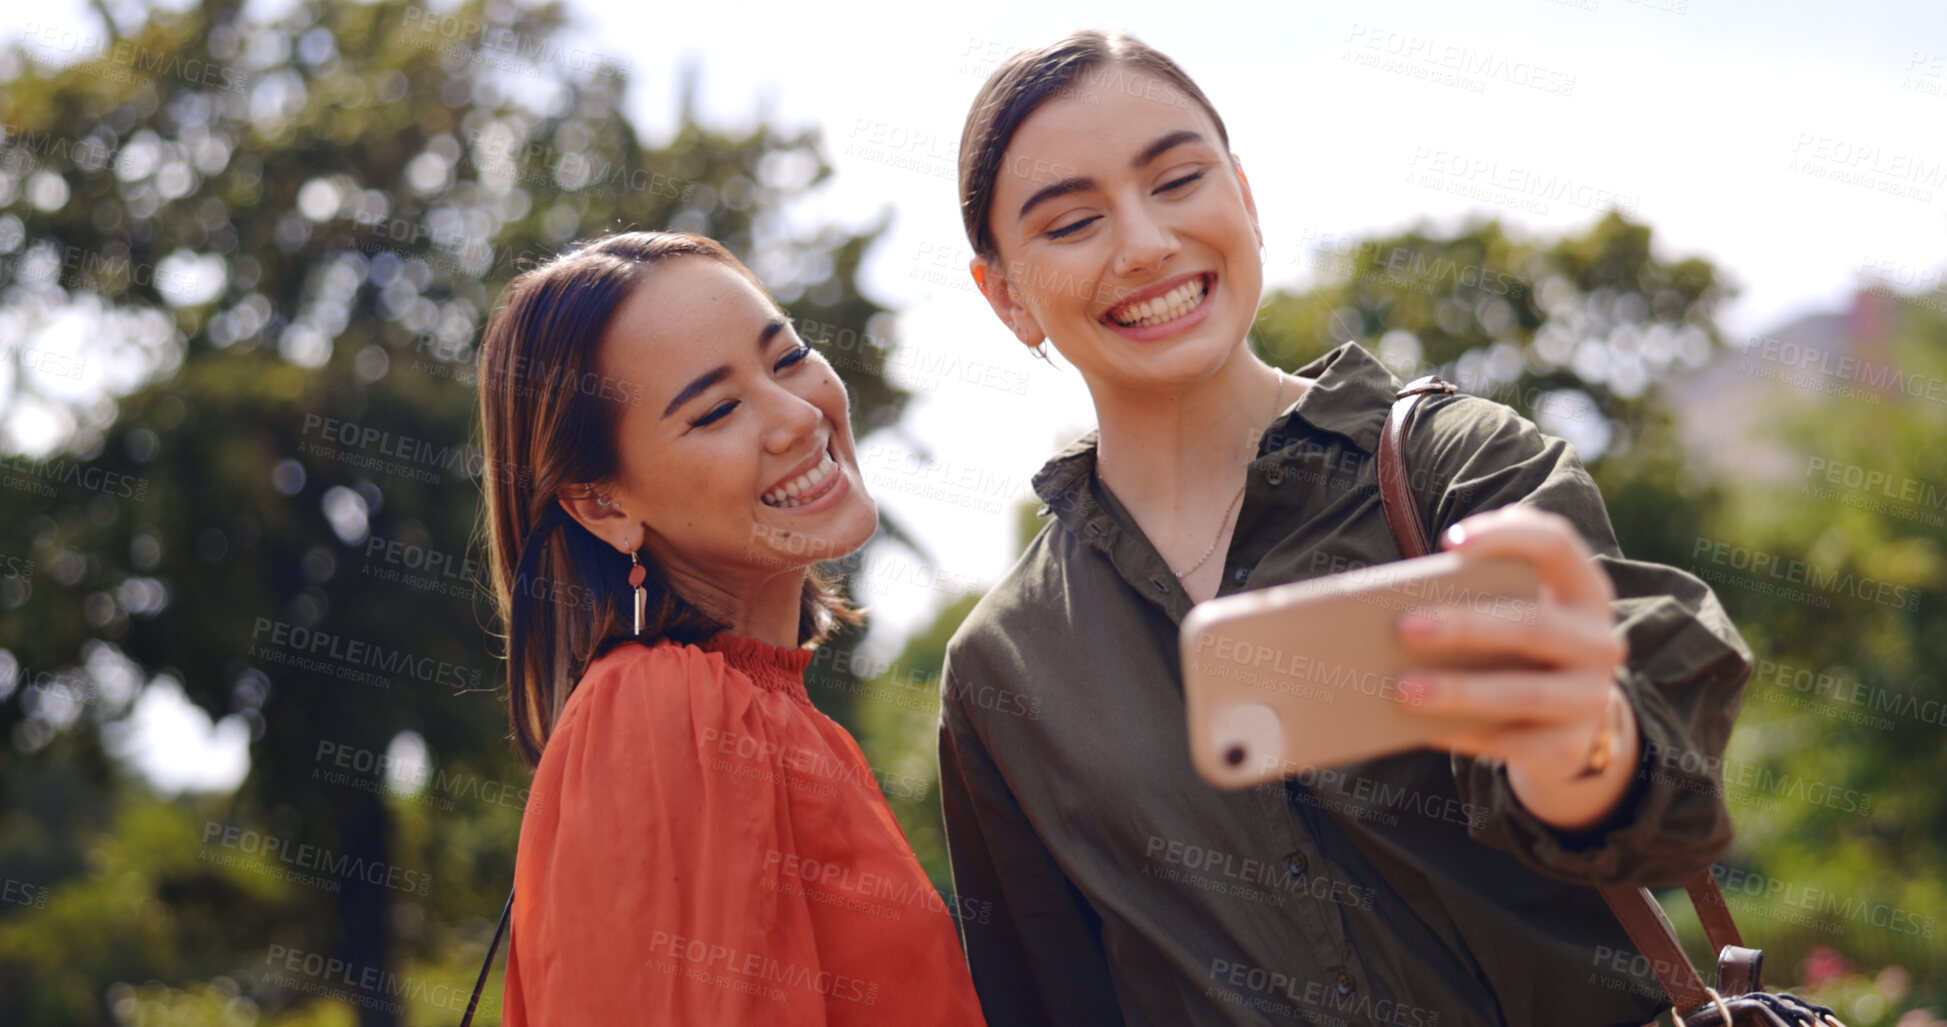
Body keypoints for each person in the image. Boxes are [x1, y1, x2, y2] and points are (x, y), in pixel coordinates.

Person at [938, 31, 1750, 1027]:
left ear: (1245, 195)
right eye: (1071, 222)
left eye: (1179, 179)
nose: (1144, 242)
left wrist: (1583, 745)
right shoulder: (1007, 668)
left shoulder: (1457, 468)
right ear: (1007, 297)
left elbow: (1662, 790)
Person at [475, 231, 986, 1025]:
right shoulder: (661, 713)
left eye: (789, 357)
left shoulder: (779, 715)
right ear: (602, 504)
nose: (796, 415)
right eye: (716, 410)